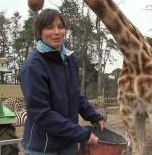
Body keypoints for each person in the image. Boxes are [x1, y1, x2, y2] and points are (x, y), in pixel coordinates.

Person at [18, 9, 105, 155]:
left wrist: (93, 116)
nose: (57, 32)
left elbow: (75, 94)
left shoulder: (68, 59)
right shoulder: (33, 67)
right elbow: (41, 114)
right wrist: (82, 134)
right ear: (39, 33)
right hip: (44, 148)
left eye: (60, 26)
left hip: (68, 143)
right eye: (50, 27)